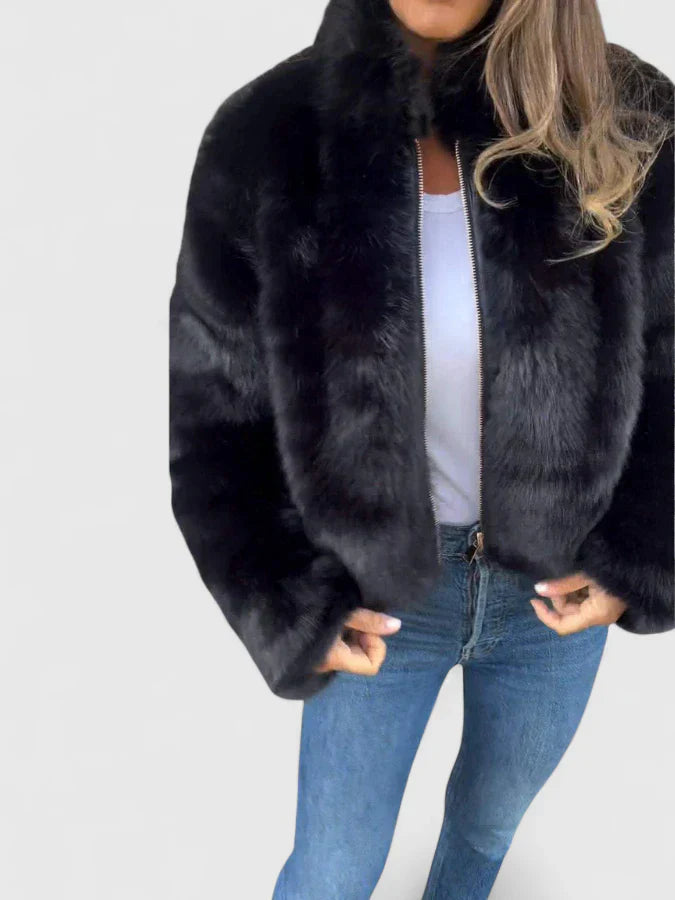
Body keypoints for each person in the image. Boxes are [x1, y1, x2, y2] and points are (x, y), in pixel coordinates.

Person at [168, 0, 674, 896]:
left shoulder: (626, 113)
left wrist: (643, 550)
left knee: (485, 827)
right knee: (331, 872)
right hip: (376, 599)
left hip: (553, 600)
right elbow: (214, 413)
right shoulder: (268, 137)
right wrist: (285, 597)